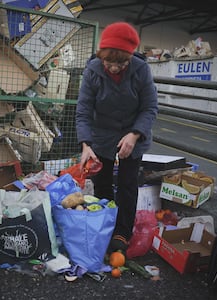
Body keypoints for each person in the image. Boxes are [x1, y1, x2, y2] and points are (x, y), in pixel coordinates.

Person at [75, 22, 158, 253]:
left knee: (127, 184)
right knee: (102, 183)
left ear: (129, 58)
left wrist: (134, 134)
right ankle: (105, 224)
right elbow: (83, 111)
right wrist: (86, 145)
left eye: (120, 63)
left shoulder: (141, 70)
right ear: (101, 57)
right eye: (108, 62)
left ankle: (122, 232)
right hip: (102, 133)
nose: (113, 68)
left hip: (134, 132)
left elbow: (150, 107)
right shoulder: (92, 71)